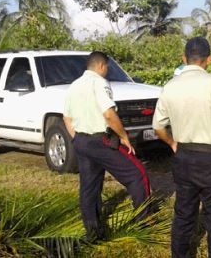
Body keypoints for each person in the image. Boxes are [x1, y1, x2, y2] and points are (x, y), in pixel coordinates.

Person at [152, 37, 211, 258]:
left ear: (184, 59)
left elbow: (157, 126)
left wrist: (173, 143)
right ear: (209, 60)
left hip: (183, 157)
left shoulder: (170, 87)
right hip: (210, 161)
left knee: (183, 215)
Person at [63, 51, 150, 241]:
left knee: (89, 187)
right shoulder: (99, 83)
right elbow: (109, 114)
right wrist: (124, 137)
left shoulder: (74, 85)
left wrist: (77, 139)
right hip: (100, 140)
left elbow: (66, 117)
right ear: (101, 66)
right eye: (107, 67)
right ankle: (143, 222)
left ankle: (93, 232)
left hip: (81, 141)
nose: (107, 71)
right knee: (137, 174)